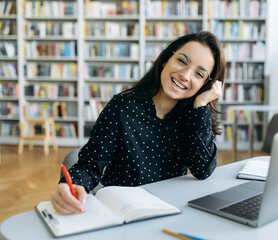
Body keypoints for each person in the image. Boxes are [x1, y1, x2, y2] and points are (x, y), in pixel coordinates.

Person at [51, 31, 226, 214]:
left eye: (199, 74)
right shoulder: (122, 106)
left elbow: (203, 170)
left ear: (206, 85)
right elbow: (89, 165)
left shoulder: (193, 118)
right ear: (166, 60)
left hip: (169, 210)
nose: (186, 75)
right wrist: (71, 186)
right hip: (123, 211)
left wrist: (201, 106)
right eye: (182, 61)